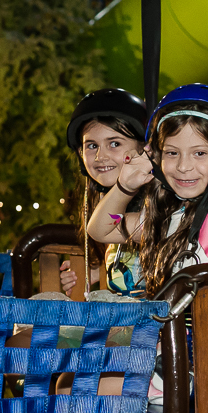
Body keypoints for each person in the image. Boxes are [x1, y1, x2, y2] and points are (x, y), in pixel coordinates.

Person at [87, 84, 208, 413]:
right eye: (172, 153)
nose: (184, 167)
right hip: (171, 355)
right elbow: (102, 229)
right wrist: (126, 186)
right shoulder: (168, 219)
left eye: (200, 153)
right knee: (77, 368)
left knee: (91, 388)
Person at [61, 88, 149, 297]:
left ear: (144, 149)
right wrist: (93, 272)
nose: (100, 156)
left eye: (114, 143)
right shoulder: (105, 204)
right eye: (92, 146)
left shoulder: (158, 204)